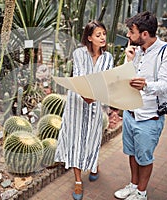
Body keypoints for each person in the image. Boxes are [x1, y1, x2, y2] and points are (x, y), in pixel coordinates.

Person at [114, 11, 167, 200]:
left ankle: (141, 193)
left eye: (131, 31)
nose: (128, 35)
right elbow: (127, 78)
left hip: (149, 118)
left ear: (144, 34)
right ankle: (133, 185)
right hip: (130, 113)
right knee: (132, 154)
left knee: (144, 158)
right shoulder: (136, 51)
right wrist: (128, 60)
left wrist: (146, 85)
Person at [54, 20, 114, 200]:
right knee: (76, 141)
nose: (102, 37)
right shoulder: (79, 54)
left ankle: (93, 163)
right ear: (89, 37)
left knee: (93, 138)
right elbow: (79, 77)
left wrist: (95, 95)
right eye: (98, 35)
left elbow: (105, 80)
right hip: (77, 103)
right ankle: (78, 181)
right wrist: (86, 95)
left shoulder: (108, 58)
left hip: (95, 103)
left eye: (104, 34)